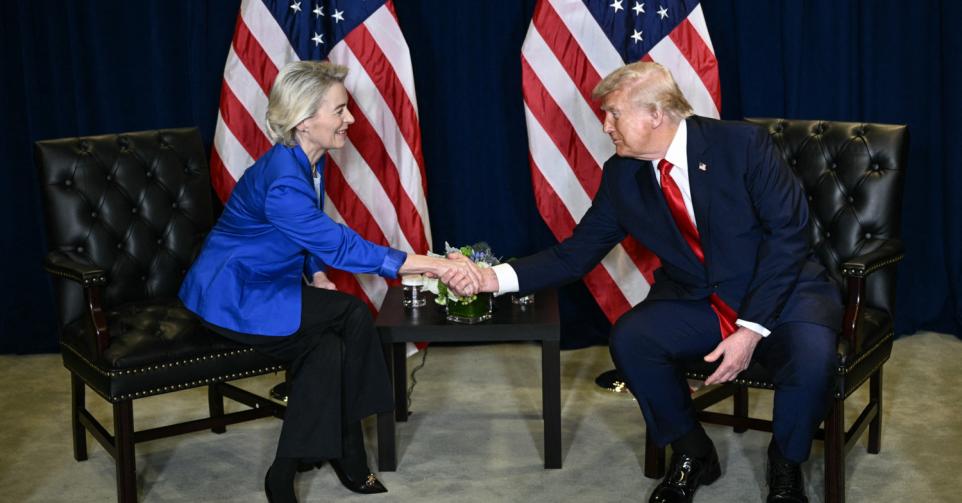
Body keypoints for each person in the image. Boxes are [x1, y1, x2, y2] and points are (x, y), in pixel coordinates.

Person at [479, 62, 841, 503]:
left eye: (613, 113)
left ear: (655, 113)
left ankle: (785, 462)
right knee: (632, 338)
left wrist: (750, 330)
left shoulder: (743, 145)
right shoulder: (622, 174)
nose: (605, 125)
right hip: (701, 299)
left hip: (783, 294)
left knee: (812, 358)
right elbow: (574, 256)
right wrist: (490, 279)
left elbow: (789, 237)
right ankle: (693, 452)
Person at [179, 61, 480, 503]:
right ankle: (354, 440)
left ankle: (286, 469)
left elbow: (306, 233)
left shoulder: (302, 162)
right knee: (353, 313)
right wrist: (432, 266)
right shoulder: (284, 181)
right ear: (304, 121)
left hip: (266, 286)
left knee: (327, 349)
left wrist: (317, 274)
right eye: (339, 110)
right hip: (233, 296)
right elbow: (341, 245)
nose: (351, 119)